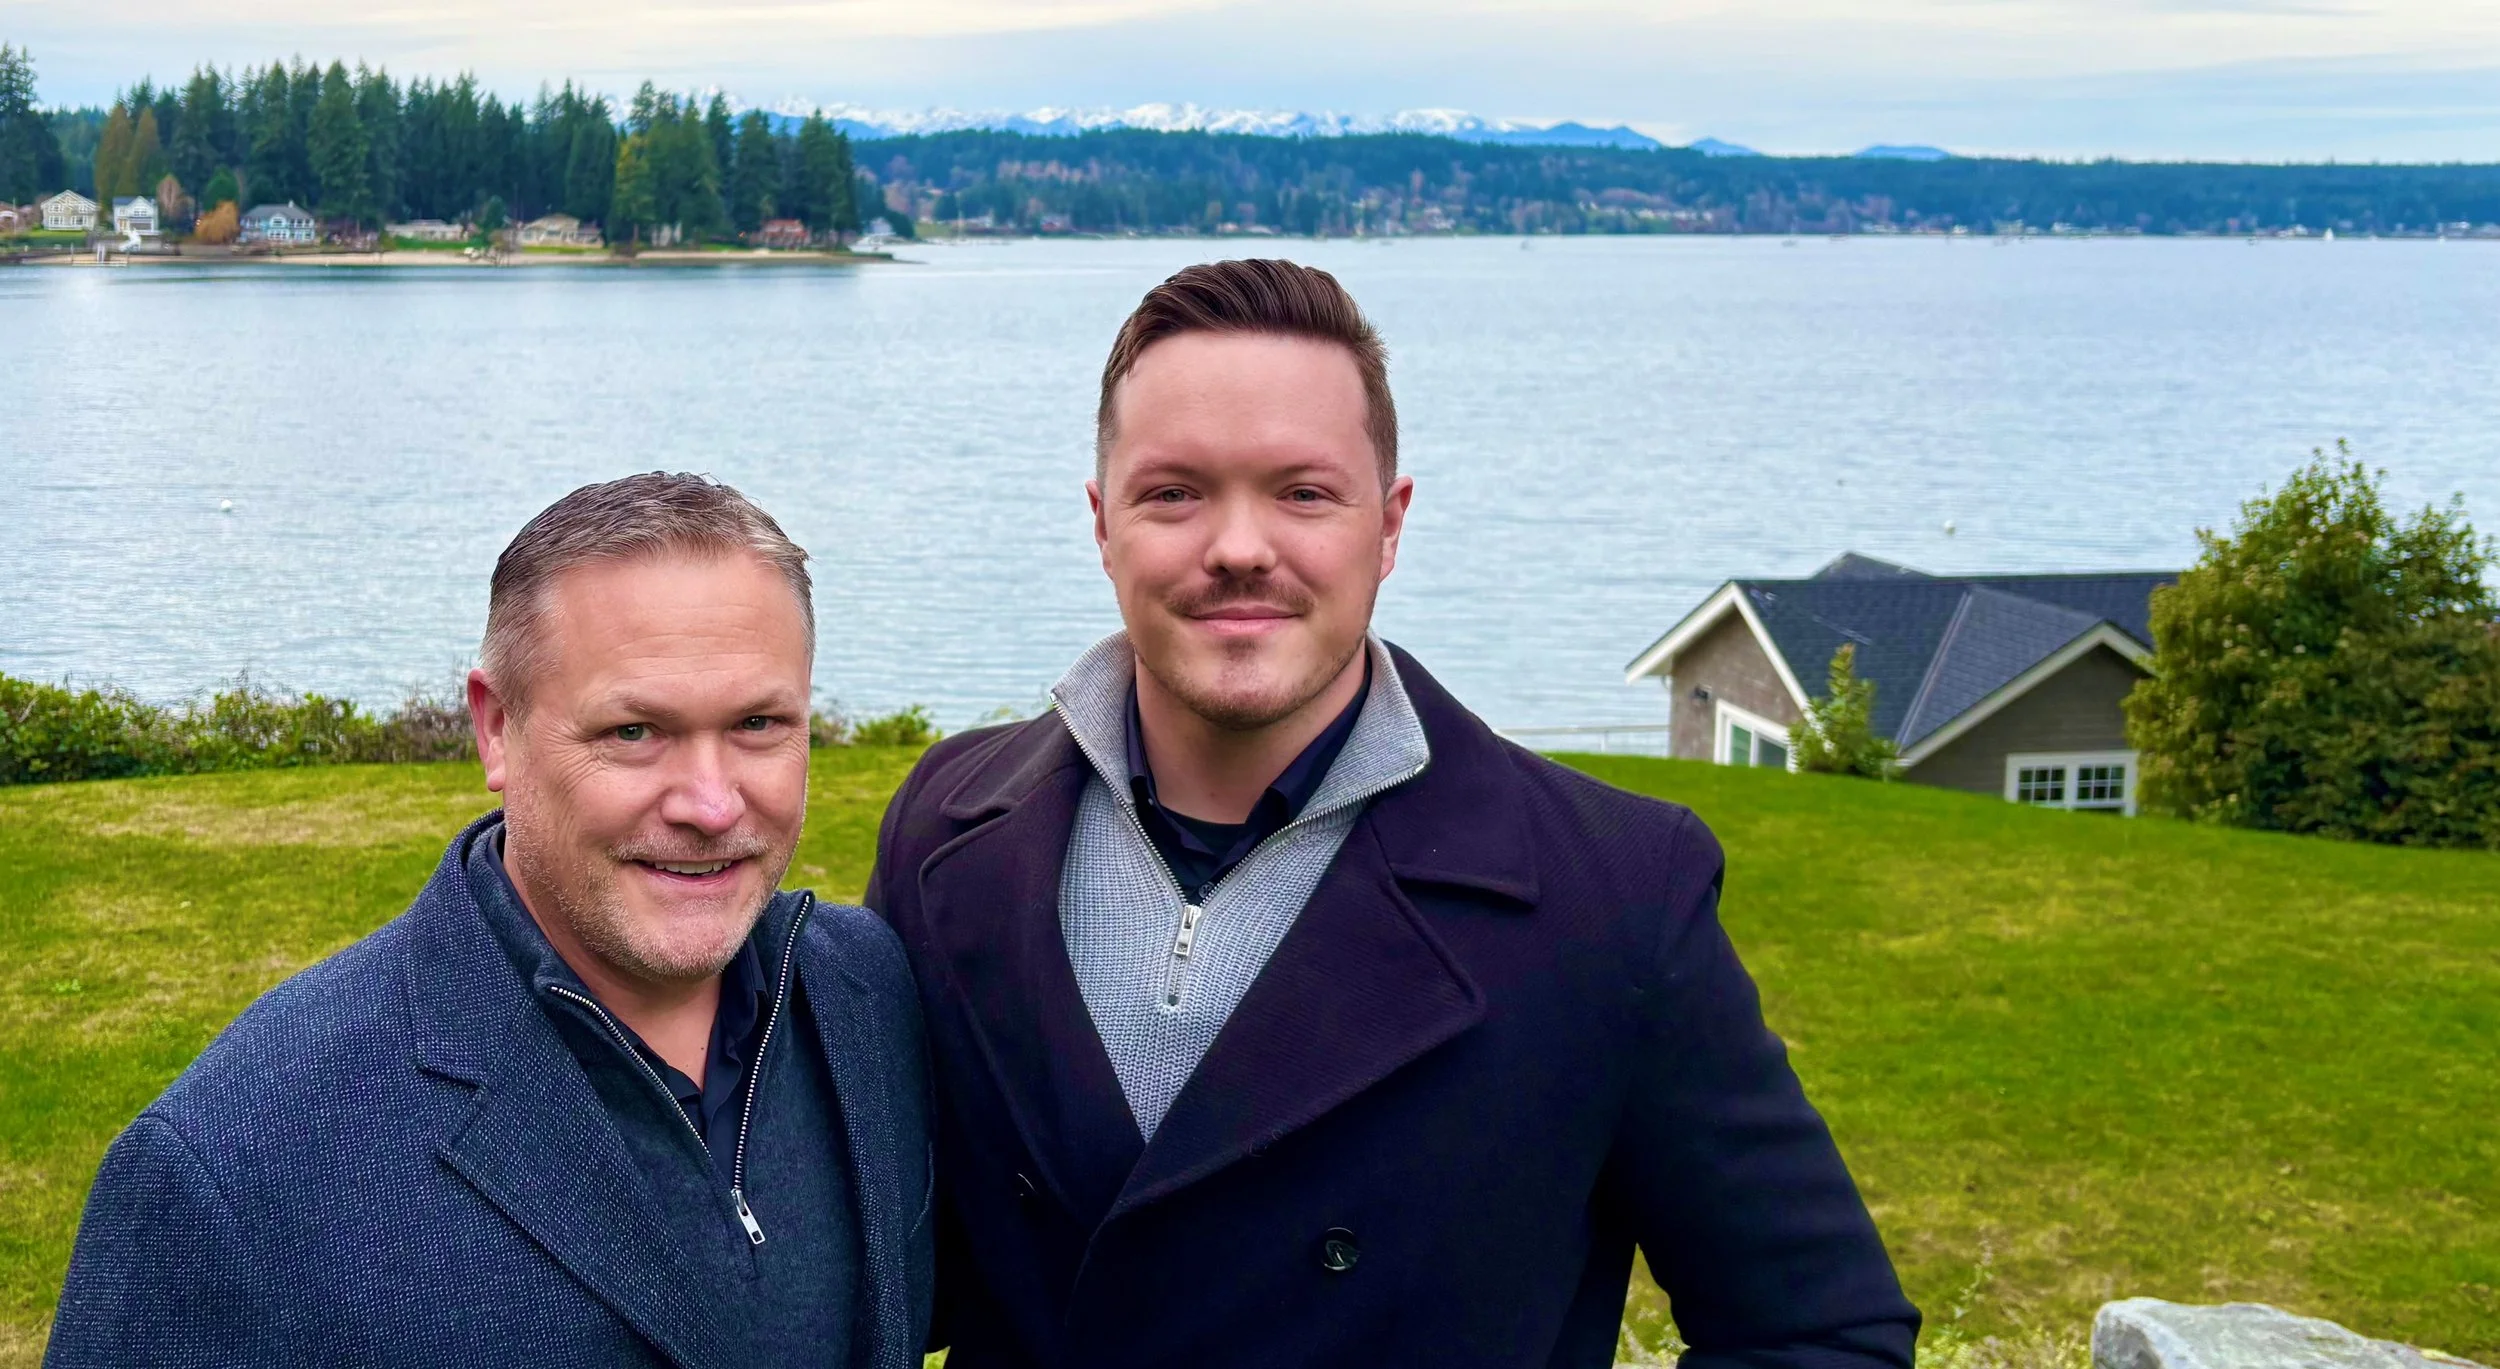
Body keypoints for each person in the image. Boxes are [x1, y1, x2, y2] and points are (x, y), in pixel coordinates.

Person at [866, 259, 1920, 1368]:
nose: (1237, 546)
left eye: (1302, 492)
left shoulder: (1615, 894)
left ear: (1390, 523)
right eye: (1173, 491)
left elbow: (1820, 1332)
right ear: (1102, 523)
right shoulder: (947, 832)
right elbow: (874, 1273)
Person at [48, 473, 933, 1368]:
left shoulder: (865, 993)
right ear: (497, 728)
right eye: (633, 731)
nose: (709, 803)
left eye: (757, 722)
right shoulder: (225, 1169)